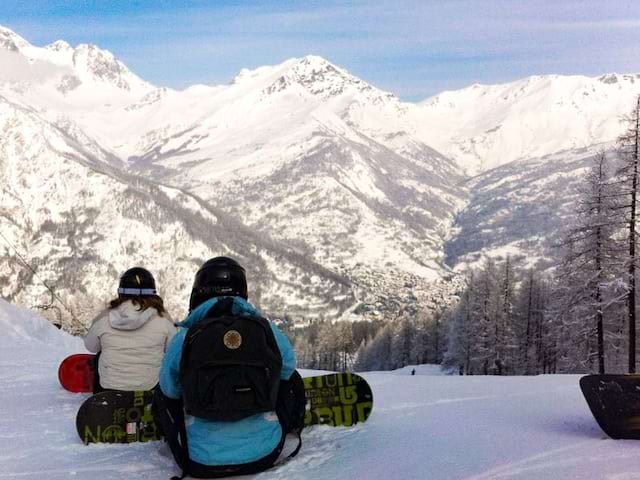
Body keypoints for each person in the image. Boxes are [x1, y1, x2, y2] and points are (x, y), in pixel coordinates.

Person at [155, 257, 305, 479]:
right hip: (265, 453)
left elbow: (170, 390)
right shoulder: (267, 330)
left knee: (161, 390)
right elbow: (288, 368)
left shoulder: (185, 338)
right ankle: (275, 424)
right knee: (290, 379)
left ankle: (189, 432)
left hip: (198, 460)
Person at [84, 267, 177, 392]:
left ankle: (101, 397)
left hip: (108, 388)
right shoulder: (162, 318)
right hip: (150, 387)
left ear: (121, 291)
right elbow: (173, 347)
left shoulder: (105, 317)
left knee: (101, 352)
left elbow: (91, 346)